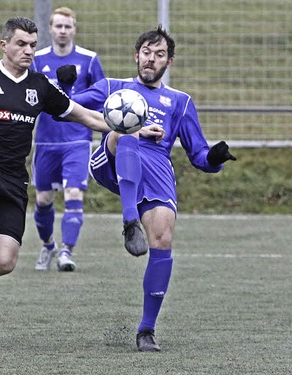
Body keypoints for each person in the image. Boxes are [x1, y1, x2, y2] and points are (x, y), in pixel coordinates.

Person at [0, 17, 113, 352]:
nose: (28, 50)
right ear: (4, 44)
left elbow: (84, 115)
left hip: (13, 179)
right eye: (21, 44)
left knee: (4, 261)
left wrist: (124, 130)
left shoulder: (40, 85)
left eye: (31, 44)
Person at [71, 25, 236, 351]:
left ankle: (146, 330)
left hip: (156, 169)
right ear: (136, 55)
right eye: (146, 52)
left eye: (159, 54)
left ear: (169, 61)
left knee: (163, 238)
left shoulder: (180, 102)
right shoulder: (113, 88)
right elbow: (66, 107)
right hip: (113, 156)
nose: (151, 59)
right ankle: (130, 221)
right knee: (128, 128)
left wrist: (215, 158)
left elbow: (199, 155)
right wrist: (65, 84)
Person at [30, 7, 105, 272]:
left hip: (77, 140)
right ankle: (48, 245)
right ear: (50, 29)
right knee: (43, 200)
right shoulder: (37, 59)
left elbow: (101, 95)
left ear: (74, 29)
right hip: (45, 141)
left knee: (74, 192)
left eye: (67, 26)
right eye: (58, 26)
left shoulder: (89, 59)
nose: (63, 31)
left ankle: (66, 252)